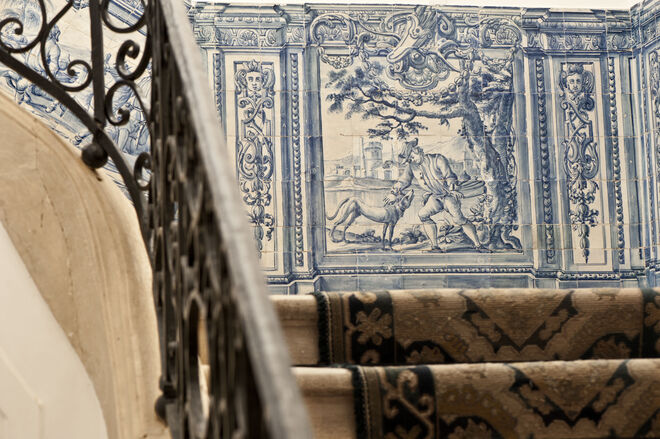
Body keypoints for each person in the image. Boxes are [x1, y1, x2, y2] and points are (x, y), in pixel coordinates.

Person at [385, 138, 482, 251]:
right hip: (435, 197)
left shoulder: (438, 159)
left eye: (412, 157)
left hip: (448, 195)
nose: (411, 161)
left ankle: (478, 245)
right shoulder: (412, 166)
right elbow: (403, 181)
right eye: (409, 159)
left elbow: (450, 177)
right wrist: (393, 192)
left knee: (459, 220)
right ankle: (435, 246)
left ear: (417, 151)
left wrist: (452, 188)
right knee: (423, 215)